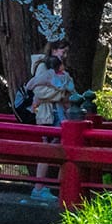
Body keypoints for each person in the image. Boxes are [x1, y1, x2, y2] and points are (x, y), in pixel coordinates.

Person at [24, 45, 77, 202]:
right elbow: (39, 92)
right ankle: (39, 188)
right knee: (47, 150)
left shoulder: (62, 71)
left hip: (59, 113)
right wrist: (60, 93)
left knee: (62, 149)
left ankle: (61, 187)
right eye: (63, 51)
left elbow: (71, 92)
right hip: (48, 114)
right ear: (54, 50)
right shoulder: (43, 66)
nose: (65, 55)